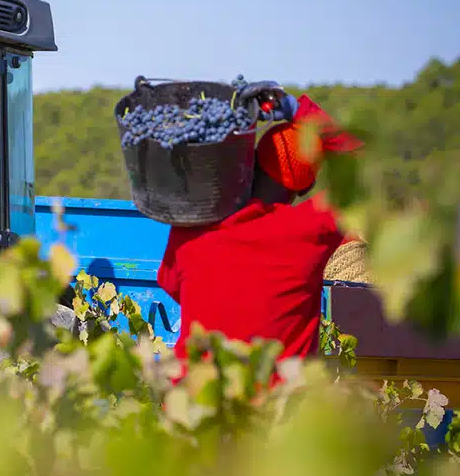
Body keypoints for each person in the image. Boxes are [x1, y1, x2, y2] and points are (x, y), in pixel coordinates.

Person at [156, 92, 364, 363]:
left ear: (250, 164)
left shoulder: (192, 229)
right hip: (275, 404)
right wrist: (296, 108)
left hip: (198, 401)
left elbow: (171, 284)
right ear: (305, 188)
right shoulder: (311, 230)